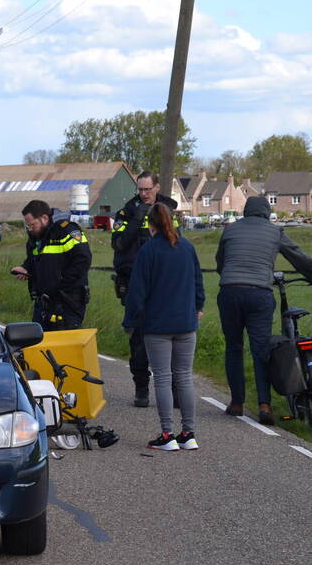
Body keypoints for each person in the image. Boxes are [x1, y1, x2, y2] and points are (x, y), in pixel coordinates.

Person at [216, 195, 312, 424]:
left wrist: (232, 280)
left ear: (245, 212)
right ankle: (264, 405)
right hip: (259, 294)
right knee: (261, 350)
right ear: (267, 212)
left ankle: (237, 403)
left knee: (234, 348)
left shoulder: (229, 231)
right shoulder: (275, 231)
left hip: (229, 292)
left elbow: (221, 263)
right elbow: (298, 257)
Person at [123, 202, 204, 451]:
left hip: (157, 325)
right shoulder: (187, 248)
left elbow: (137, 291)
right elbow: (198, 282)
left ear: (151, 225)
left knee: (162, 378)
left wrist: (131, 320)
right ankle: (188, 433)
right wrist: (198, 307)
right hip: (186, 323)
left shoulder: (148, 251)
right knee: (184, 377)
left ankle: (167, 433)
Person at [112, 171, 179, 407]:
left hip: (164, 284)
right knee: (139, 339)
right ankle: (141, 388)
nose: (143, 194)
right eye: (140, 190)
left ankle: (175, 391)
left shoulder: (167, 209)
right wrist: (135, 219)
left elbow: (176, 240)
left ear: (157, 187)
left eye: (147, 189)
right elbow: (118, 243)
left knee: (170, 336)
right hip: (134, 284)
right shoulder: (126, 212)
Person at [11, 200, 91, 330]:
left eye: (32, 225)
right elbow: (34, 259)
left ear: (44, 218)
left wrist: (60, 284)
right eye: (28, 226)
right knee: (39, 341)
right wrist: (25, 268)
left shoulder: (66, 230)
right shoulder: (36, 237)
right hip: (44, 302)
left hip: (67, 301)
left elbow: (83, 259)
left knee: (66, 343)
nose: (30, 229)